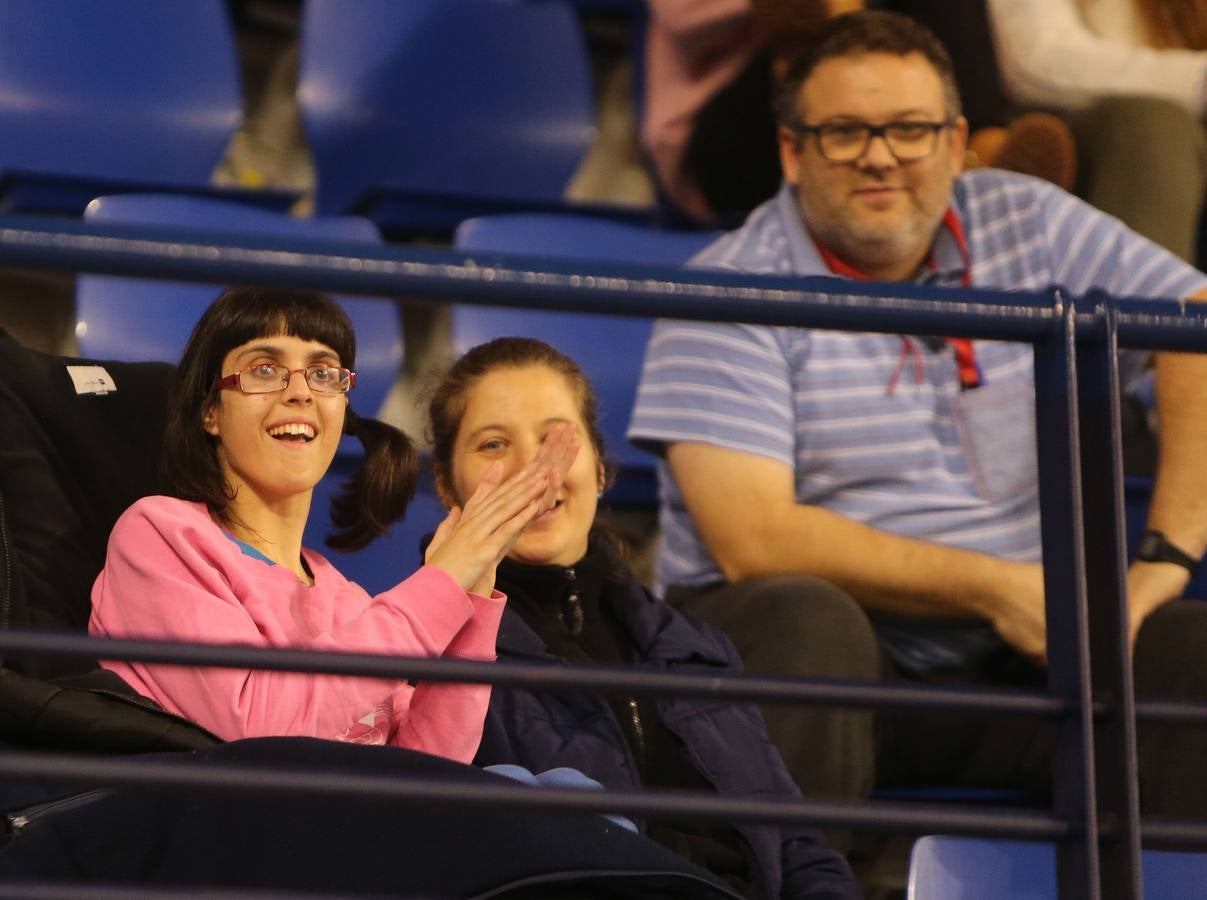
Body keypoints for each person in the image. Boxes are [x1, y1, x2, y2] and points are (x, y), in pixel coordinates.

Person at [628, 10, 1207, 818]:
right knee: (804, 616)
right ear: (792, 152)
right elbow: (752, 539)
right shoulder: (725, 285)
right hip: (833, 663)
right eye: (843, 133)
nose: (880, 157)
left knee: (1189, 650)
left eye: (909, 130)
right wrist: (995, 588)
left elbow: (1196, 326)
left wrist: (1163, 562)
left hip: (1022, 663)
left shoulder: (1026, 217)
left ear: (955, 142)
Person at [428, 337, 861, 900]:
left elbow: (799, 846)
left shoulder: (692, 644)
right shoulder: (424, 647)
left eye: (558, 438)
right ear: (445, 486)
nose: (534, 470)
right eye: (492, 445)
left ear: (602, 470)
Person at [87, 285, 578, 760]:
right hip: (229, 834)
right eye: (264, 369)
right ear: (211, 411)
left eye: (324, 373)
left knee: (555, 787)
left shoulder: (344, 598)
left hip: (348, 831)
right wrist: (440, 584)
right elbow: (263, 740)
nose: (300, 392)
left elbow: (430, 768)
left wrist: (472, 594)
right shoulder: (161, 535)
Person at [985, 0, 1207, 264]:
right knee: (1154, 128)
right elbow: (1038, 58)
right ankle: (1141, 301)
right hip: (1075, 125)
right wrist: (1198, 80)